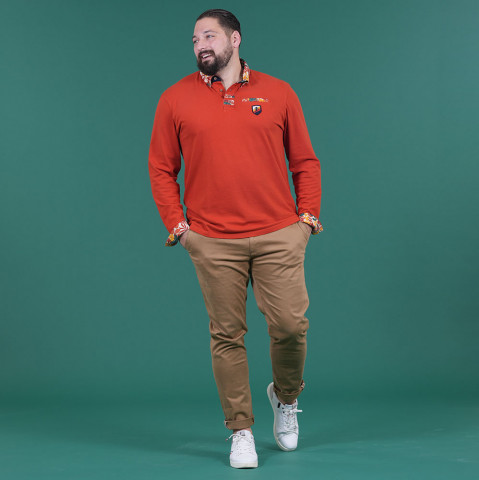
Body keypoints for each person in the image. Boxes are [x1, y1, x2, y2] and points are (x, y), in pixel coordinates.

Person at [148, 8, 323, 469]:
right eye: (194, 40)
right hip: (211, 239)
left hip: (278, 234)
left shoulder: (279, 92)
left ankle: (286, 398)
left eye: (209, 36)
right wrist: (180, 228)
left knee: (290, 326)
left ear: (235, 39)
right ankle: (241, 430)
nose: (200, 45)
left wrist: (306, 220)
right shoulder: (174, 99)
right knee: (227, 335)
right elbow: (161, 168)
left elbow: (305, 161)